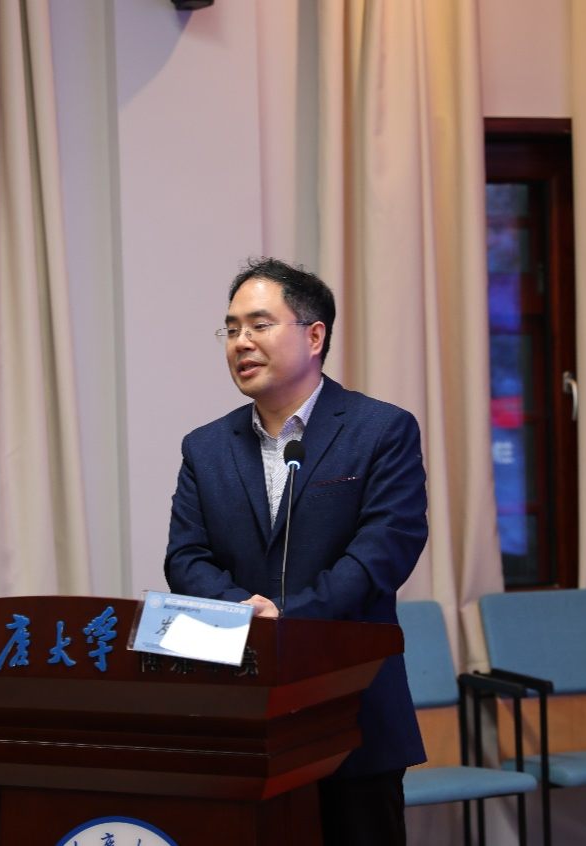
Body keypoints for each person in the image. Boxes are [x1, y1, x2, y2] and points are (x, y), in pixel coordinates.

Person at [164, 256, 428, 846]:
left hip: (350, 710)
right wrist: (246, 615)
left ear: (314, 336)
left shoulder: (381, 430)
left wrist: (286, 619)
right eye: (232, 328)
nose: (241, 342)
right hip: (240, 716)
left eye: (259, 325)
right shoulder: (205, 447)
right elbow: (186, 558)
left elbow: (384, 551)